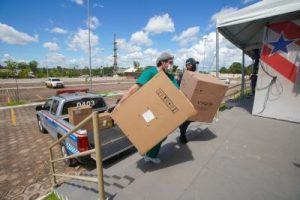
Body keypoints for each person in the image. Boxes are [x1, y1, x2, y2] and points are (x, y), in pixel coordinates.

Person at [116, 52, 179, 164]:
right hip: (147, 109)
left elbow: (178, 93)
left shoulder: (169, 76)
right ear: (162, 62)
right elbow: (135, 88)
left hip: (163, 111)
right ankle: (148, 153)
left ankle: (149, 153)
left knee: (162, 135)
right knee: (152, 131)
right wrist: (121, 103)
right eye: (170, 62)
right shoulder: (150, 72)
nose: (172, 65)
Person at [177, 58, 199, 144]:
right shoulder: (184, 75)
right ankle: (182, 135)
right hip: (184, 100)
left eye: (190, 65)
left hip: (192, 100)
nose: (188, 66)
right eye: (187, 65)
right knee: (186, 120)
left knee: (189, 119)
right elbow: (178, 85)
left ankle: (182, 130)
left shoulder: (196, 75)